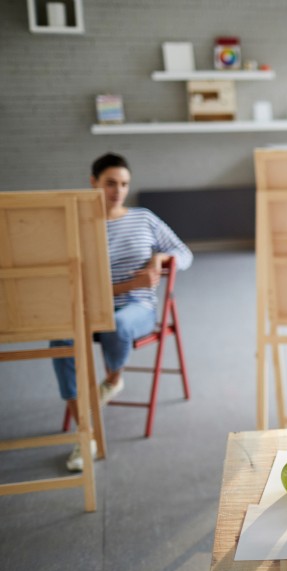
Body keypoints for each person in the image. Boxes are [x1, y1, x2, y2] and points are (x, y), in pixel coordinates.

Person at [51, 153, 193, 472]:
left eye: (125, 184)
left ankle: (112, 381)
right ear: (93, 183)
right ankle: (84, 430)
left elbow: (184, 253)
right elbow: (78, 284)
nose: (118, 191)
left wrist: (160, 260)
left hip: (136, 308)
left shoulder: (143, 218)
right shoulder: (79, 225)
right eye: (111, 184)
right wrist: (129, 282)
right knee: (59, 336)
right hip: (92, 308)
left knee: (117, 323)